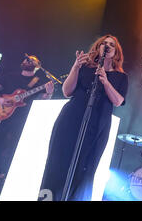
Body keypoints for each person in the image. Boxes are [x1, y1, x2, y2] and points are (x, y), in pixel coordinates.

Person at [39, 35, 128, 201]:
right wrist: (75, 67)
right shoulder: (85, 68)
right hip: (71, 117)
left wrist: (106, 81)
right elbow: (67, 92)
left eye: (111, 45)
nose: (107, 46)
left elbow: (118, 101)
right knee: (57, 162)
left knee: (86, 168)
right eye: (104, 43)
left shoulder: (121, 77)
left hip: (98, 123)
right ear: (98, 47)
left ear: (116, 52)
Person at [0, 55, 54, 175]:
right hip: (2, 116)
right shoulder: (10, 76)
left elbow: (43, 100)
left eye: (31, 60)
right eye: (26, 59)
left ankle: (3, 177)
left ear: (37, 65)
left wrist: (49, 94)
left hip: (21, 121)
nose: (27, 60)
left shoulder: (40, 82)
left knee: (12, 150)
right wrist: (1, 100)